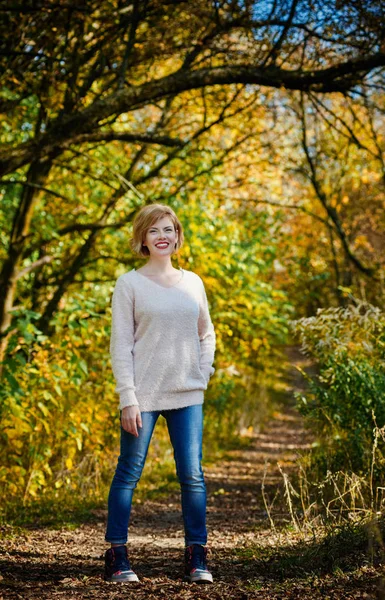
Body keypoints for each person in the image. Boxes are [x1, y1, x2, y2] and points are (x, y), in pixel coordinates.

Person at [104, 203, 216, 584]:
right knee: (129, 473)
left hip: (188, 392)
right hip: (144, 396)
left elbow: (206, 332)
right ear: (142, 239)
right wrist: (127, 397)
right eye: (154, 231)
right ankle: (117, 556)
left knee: (193, 476)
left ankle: (196, 556)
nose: (162, 236)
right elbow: (120, 345)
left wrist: (203, 372)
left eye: (168, 229)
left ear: (178, 236)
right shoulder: (129, 284)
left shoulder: (193, 282)